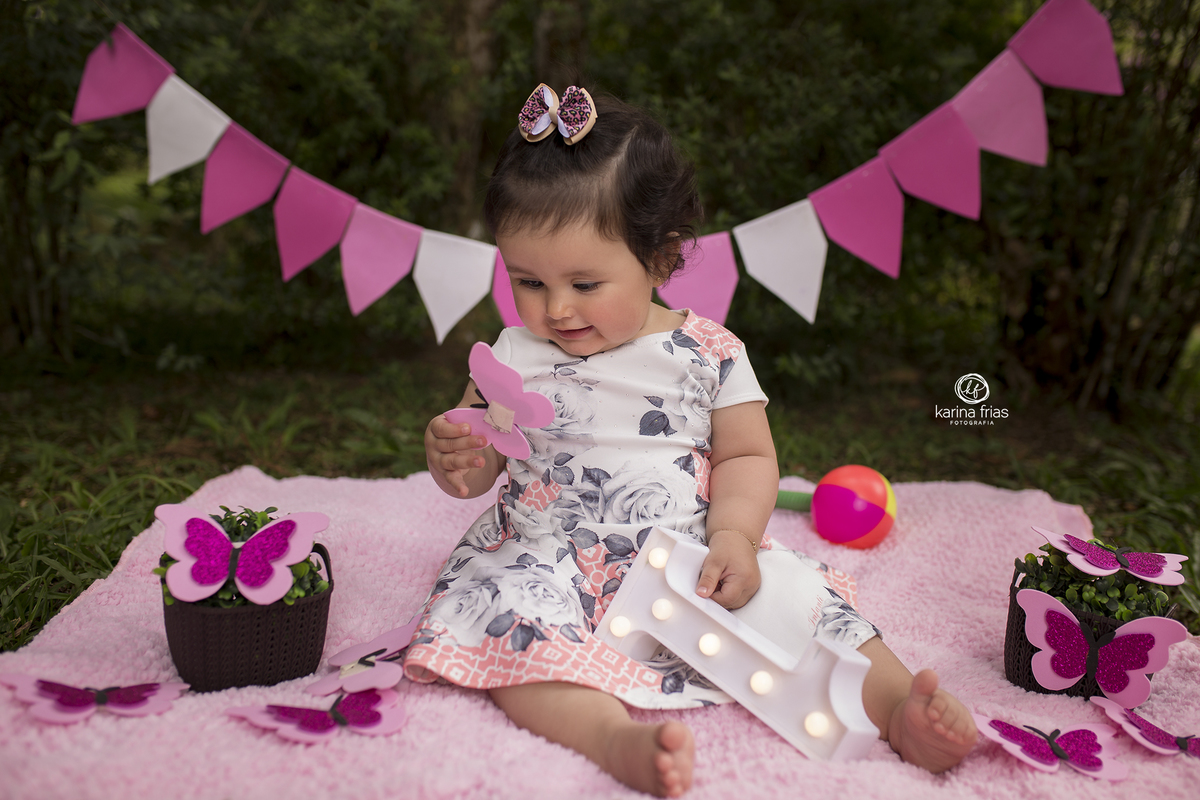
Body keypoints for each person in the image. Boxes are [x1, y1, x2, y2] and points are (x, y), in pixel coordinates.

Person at [405, 87, 977, 797]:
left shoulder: (706, 352)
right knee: (508, 628)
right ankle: (610, 738)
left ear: (661, 259)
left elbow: (745, 455)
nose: (555, 308)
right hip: (548, 552)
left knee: (804, 603)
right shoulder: (511, 354)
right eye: (528, 281)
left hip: (690, 548)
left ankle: (896, 707)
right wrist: (454, 459)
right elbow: (479, 462)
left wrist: (735, 536)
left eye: (584, 282)